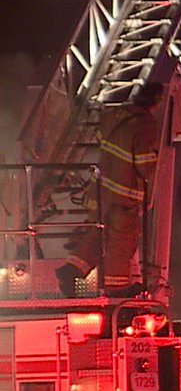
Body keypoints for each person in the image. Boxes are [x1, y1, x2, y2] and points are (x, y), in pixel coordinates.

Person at [57, 82, 163, 297]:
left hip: (101, 189)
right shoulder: (144, 124)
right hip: (123, 194)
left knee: (98, 234)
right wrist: (156, 160)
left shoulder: (113, 116)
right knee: (121, 241)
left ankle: (71, 270)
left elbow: (103, 143)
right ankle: (118, 289)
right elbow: (144, 166)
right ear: (156, 101)